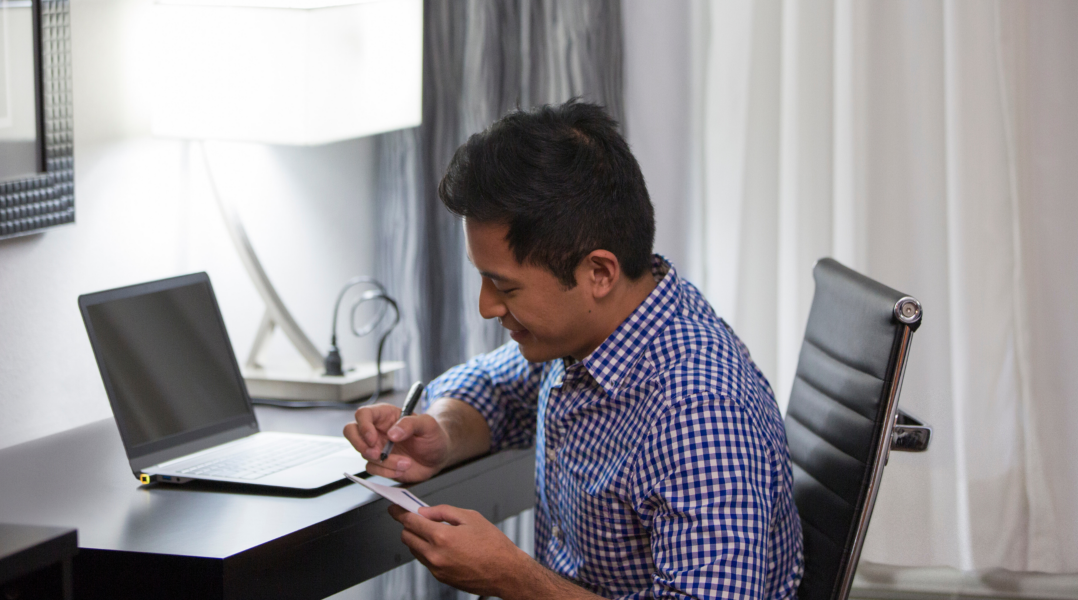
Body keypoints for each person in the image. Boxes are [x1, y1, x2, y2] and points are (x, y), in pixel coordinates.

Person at [342, 100, 803, 600]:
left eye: (505, 287)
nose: (486, 307)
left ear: (598, 274)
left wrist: (514, 578)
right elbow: (494, 386)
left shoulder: (700, 410)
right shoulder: (596, 332)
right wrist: (443, 434)